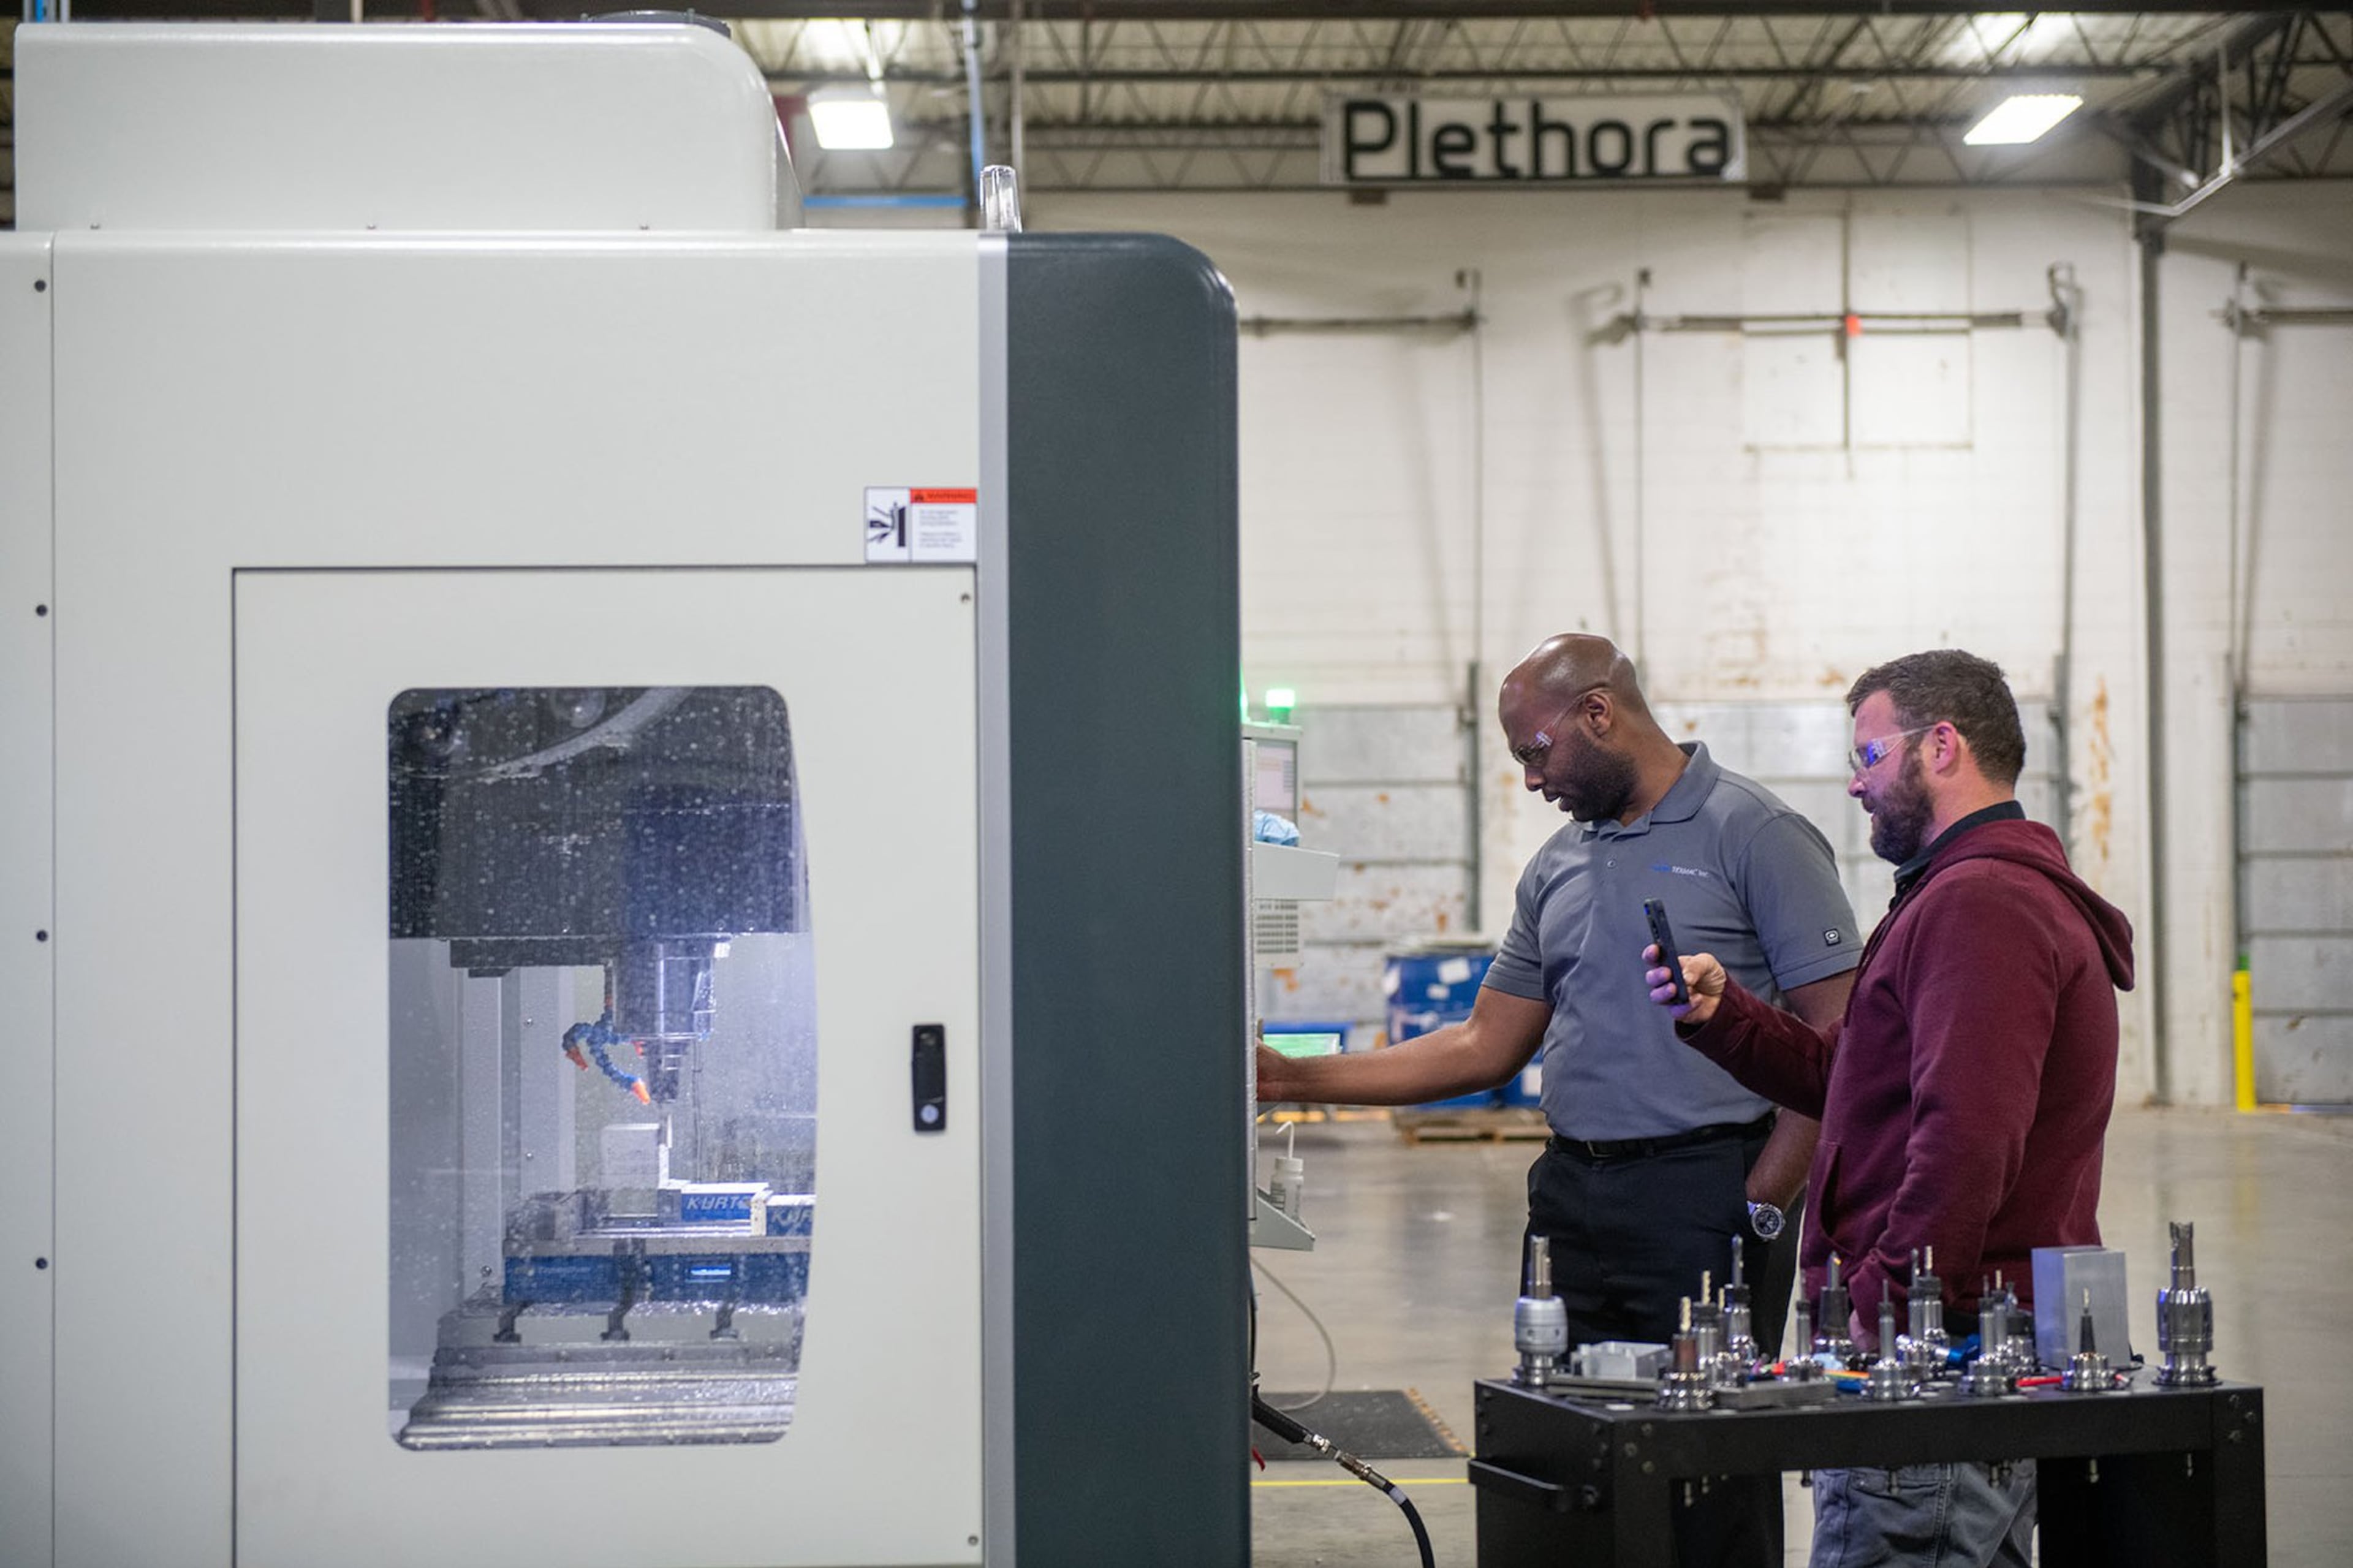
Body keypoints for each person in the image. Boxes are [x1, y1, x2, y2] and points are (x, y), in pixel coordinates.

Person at [1257, 633, 1861, 1565]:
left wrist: (1763, 1201)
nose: (1533, 781)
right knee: (1569, 1466)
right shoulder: (1557, 865)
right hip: (1573, 1199)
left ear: (1598, 712)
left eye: (1535, 752)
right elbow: (1484, 1043)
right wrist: (1289, 1078)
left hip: (1708, 1195)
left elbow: (1841, 1042)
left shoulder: (1755, 834)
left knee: (1709, 1484)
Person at [1644, 648, 2135, 1568]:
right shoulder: (1961, 894)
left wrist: (1880, 1310)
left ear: (1941, 747)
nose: (1855, 783)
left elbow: (1966, 1141)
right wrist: (1726, 1016)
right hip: (1953, 1342)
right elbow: (1858, 1079)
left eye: (1869, 756)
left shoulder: (1981, 903)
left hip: (1937, 1358)